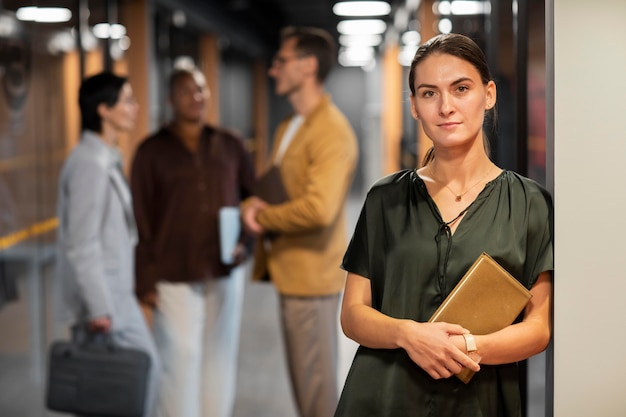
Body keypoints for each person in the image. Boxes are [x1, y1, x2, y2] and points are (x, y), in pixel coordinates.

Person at [334, 33, 553, 417]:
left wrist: (463, 349)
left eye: (461, 88)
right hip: (385, 397)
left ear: (489, 95)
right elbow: (353, 315)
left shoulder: (529, 203)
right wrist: (410, 335)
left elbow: (538, 328)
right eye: (429, 93)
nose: (446, 106)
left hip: (479, 400)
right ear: (415, 107)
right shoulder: (385, 199)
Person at [240, 26, 359, 417]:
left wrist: (263, 215)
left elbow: (319, 208)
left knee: (317, 397)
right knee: (305, 391)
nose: (273, 70)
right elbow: (285, 187)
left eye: (281, 61)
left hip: (313, 282)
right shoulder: (288, 125)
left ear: (308, 66)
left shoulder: (331, 131)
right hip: (291, 272)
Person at [131, 65, 255, 417]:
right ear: (170, 99)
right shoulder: (151, 152)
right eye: (187, 91)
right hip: (173, 270)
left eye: (201, 90)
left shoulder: (229, 144)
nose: (196, 97)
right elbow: (140, 218)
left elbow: (253, 199)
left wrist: (244, 245)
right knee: (180, 359)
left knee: (220, 355)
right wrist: (144, 278)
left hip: (224, 267)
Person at [56, 71, 161, 417]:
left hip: (117, 292)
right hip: (105, 300)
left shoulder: (105, 158)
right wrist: (99, 308)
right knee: (130, 382)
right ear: (103, 109)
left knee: (119, 390)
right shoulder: (89, 163)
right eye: (127, 100)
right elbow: (81, 244)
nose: (135, 107)